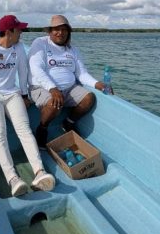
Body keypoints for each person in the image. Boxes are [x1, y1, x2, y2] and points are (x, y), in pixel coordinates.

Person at [0, 15, 55, 197]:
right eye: (18, 30)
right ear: (8, 32)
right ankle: (12, 178)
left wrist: (24, 95)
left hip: (12, 93)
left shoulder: (19, 48)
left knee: (24, 129)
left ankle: (39, 172)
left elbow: (23, 73)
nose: (21, 32)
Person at [28, 14, 113, 149]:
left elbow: (82, 73)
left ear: (68, 32)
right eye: (56, 29)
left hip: (69, 88)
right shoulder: (40, 43)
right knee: (55, 104)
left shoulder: (73, 50)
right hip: (42, 87)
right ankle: (42, 128)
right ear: (50, 31)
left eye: (64, 29)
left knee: (89, 98)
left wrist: (98, 84)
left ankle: (69, 122)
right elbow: (36, 69)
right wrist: (53, 89)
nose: (60, 33)